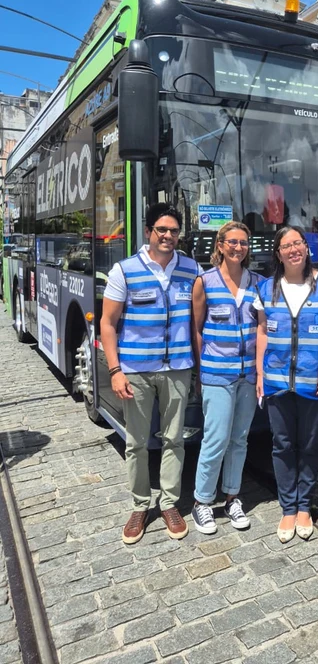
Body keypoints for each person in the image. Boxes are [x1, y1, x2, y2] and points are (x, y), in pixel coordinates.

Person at [101, 203, 202, 544]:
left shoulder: (191, 269)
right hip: (136, 371)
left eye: (174, 231)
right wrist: (115, 371)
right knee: (137, 443)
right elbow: (108, 323)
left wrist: (199, 368)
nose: (168, 236)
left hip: (178, 369)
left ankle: (169, 503)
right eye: (162, 229)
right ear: (148, 232)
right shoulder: (125, 270)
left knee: (175, 439)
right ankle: (140, 506)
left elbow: (197, 321)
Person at [255, 226, 318, 543]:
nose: (293, 249)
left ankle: (304, 505)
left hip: (313, 382)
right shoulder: (266, 288)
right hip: (277, 382)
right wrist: (260, 374)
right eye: (286, 245)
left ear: (307, 248)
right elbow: (262, 332)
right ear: (278, 253)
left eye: (298, 243)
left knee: (309, 445)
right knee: (282, 444)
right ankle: (288, 508)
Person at [191, 221, 262, 534]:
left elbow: (263, 327)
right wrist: (199, 371)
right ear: (219, 245)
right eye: (232, 242)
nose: (238, 248)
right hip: (216, 373)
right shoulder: (204, 282)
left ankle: (232, 497)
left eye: (243, 242)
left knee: (239, 439)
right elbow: (196, 329)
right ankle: (202, 501)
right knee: (216, 438)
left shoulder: (258, 283)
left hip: (248, 375)